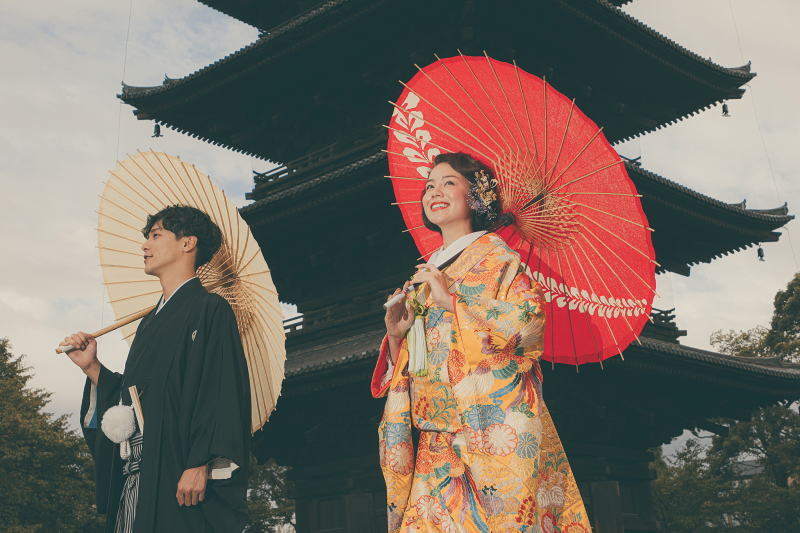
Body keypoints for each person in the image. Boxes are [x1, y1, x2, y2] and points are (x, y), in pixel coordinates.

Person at [373, 153, 590, 533]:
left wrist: (452, 302)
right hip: (432, 447)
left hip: (485, 438)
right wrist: (396, 336)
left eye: (448, 183)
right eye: (428, 186)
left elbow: (528, 325)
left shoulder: (499, 262)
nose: (434, 192)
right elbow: (413, 368)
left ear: (476, 196)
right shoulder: (422, 277)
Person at [61, 205, 251, 533]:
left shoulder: (210, 309)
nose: (145, 245)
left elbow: (220, 390)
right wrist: (93, 368)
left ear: (187, 243)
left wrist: (200, 463)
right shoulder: (149, 322)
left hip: (178, 473)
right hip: (135, 477)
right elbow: (136, 397)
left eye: (155, 235)